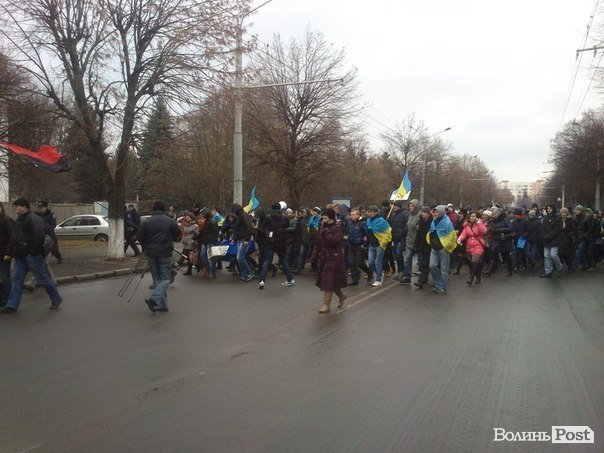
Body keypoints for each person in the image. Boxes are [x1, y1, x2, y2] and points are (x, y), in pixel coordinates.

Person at [1, 198, 62, 313]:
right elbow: (14, 238)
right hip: (21, 255)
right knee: (17, 279)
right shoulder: (20, 220)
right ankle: (11, 305)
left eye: (17, 206)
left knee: (41, 277)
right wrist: (11, 252)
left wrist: (32, 252)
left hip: (31, 256)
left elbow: (38, 237)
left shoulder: (33, 219)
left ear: (24, 207)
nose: (16, 208)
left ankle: (56, 298)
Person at [136, 201, 180, 312]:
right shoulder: (169, 220)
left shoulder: (147, 221)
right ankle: (154, 299)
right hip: (165, 253)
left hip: (151, 253)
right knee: (165, 279)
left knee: (157, 280)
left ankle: (162, 305)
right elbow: (178, 233)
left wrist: (146, 245)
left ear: (154, 209)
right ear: (163, 209)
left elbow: (139, 236)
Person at [311, 208, 347, 313]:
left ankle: (326, 305)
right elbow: (318, 243)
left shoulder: (337, 227)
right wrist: (314, 256)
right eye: (323, 218)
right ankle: (342, 295)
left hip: (334, 258)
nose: (324, 220)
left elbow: (336, 241)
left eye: (325, 218)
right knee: (331, 281)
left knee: (328, 280)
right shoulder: (322, 227)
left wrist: (326, 233)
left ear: (331, 218)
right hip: (324, 257)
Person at [258, 203, 295, 289]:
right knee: (284, 260)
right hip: (281, 242)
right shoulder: (284, 218)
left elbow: (264, 227)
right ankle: (290, 279)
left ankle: (262, 280)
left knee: (267, 261)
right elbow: (287, 226)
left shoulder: (268, 218)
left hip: (271, 242)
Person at [428, 205, 457, 294]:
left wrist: (447, 246)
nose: (435, 214)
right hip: (434, 247)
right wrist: (431, 242)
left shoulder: (447, 222)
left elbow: (452, 236)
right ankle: (438, 283)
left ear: (441, 212)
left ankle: (442, 287)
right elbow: (431, 232)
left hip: (443, 248)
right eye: (434, 212)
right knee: (432, 266)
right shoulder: (433, 220)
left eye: (437, 212)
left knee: (444, 268)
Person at [457, 210, 487, 286]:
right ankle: (478, 276)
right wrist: (459, 239)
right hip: (469, 246)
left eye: (474, 216)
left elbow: (484, 231)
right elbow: (464, 234)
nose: (472, 218)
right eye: (471, 216)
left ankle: (470, 278)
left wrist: (479, 223)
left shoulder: (480, 223)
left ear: (477, 217)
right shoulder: (467, 225)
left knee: (474, 261)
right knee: (472, 264)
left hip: (478, 245)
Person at [365, 205, 392, 287]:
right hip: (371, 244)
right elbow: (368, 231)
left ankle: (378, 279)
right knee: (371, 262)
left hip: (379, 244)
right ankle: (379, 273)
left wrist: (383, 242)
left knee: (378, 262)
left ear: (376, 212)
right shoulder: (368, 221)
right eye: (369, 212)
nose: (370, 213)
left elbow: (388, 231)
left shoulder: (382, 221)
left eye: (372, 212)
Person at [345, 207, 372, 285]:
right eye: (351, 215)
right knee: (351, 263)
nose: (352, 216)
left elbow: (368, 235)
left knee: (359, 262)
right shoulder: (349, 223)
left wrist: (364, 244)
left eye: (353, 215)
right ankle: (355, 279)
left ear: (358, 215)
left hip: (359, 245)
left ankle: (369, 272)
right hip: (351, 245)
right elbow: (346, 231)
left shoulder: (362, 223)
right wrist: (346, 237)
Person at [231, 204, 255, 282]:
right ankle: (245, 274)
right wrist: (235, 238)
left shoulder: (243, 216)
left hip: (243, 239)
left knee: (240, 257)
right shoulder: (242, 216)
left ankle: (248, 272)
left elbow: (248, 228)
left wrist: (246, 239)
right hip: (241, 238)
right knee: (240, 257)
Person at [540, 204, 563, 278]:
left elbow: (557, 229)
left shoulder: (558, 218)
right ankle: (548, 271)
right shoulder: (545, 218)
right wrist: (544, 236)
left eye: (550, 208)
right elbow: (543, 228)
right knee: (546, 256)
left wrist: (548, 236)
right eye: (547, 208)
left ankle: (559, 267)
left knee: (553, 255)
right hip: (546, 240)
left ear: (553, 209)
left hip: (554, 239)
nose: (548, 210)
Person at [413, 205, 433, 289]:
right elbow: (418, 234)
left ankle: (421, 281)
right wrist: (416, 244)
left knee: (426, 264)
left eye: (424, 212)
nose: (423, 214)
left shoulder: (432, 222)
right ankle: (424, 279)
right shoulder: (421, 221)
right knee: (423, 263)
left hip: (430, 245)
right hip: (422, 245)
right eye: (422, 212)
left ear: (428, 213)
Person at [401, 199, 420, 285]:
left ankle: (423, 276)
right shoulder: (410, 216)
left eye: (412, 206)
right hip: (409, 240)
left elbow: (419, 228)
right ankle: (407, 276)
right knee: (408, 259)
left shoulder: (419, 216)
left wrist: (417, 227)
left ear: (416, 207)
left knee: (420, 260)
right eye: (409, 206)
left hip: (416, 241)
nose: (410, 207)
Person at [197, 207, 219, 278]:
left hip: (210, 242)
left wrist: (214, 242)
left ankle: (212, 272)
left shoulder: (212, 221)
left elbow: (215, 232)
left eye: (202, 214)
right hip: (206, 241)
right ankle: (209, 269)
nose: (202, 215)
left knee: (210, 258)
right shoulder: (207, 220)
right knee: (203, 255)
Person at [0, 202, 14, 307]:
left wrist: (9, 253)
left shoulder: (6, 220)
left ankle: (6, 299)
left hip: (4, 254)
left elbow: (12, 238)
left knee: (4, 276)